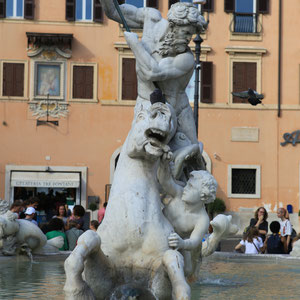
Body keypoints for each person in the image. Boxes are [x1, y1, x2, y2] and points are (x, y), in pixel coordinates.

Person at [100, 1, 207, 146]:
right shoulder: (151, 18)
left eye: (191, 33)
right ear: (174, 25)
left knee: (192, 158)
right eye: (186, 32)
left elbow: (152, 72)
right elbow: (113, 11)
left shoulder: (186, 58)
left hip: (177, 112)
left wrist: (135, 45)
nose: (189, 39)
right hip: (145, 105)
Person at [157, 155, 217, 276]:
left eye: (190, 187)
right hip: (157, 231)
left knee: (188, 270)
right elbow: (165, 182)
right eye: (188, 184)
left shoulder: (202, 219)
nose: (185, 188)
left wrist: (182, 243)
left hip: (176, 242)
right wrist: (164, 166)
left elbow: (194, 241)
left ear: (203, 195)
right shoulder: (179, 193)